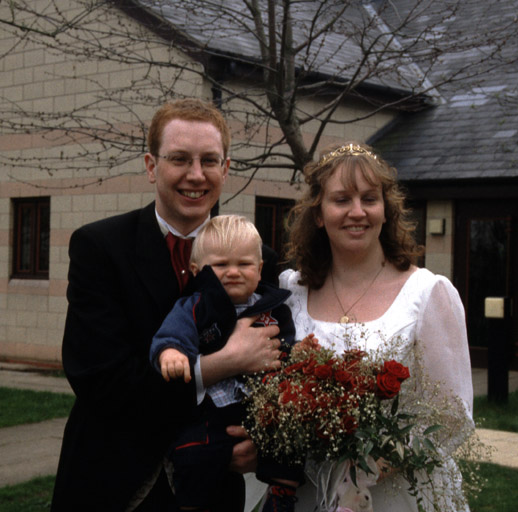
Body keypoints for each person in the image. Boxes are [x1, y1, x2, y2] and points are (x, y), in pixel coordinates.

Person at [51, 98, 282, 512]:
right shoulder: (99, 247)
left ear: (226, 169)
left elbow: (277, 369)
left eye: (209, 160)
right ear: (151, 166)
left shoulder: (258, 258)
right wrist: (221, 364)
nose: (196, 175)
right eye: (179, 159)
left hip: (214, 486)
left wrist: (261, 439)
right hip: (114, 482)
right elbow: (99, 379)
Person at [275, 142, 474, 511]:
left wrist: (367, 467)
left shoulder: (428, 294)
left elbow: (451, 416)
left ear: (386, 211)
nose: (357, 212)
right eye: (341, 200)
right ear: (318, 213)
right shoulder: (290, 290)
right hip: (309, 491)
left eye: (369, 199)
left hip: (396, 494)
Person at [149, 215, 304, 512]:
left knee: (289, 439)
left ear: (260, 269)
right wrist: (171, 353)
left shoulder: (273, 309)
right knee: (195, 451)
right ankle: (192, 504)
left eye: (244, 264)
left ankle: (282, 493)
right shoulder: (196, 306)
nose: (233, 272)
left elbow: (285, 344)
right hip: (213, 409)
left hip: (261, 405)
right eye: (221, 265)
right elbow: (173, 333)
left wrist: (297, 354)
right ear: (197, 271)